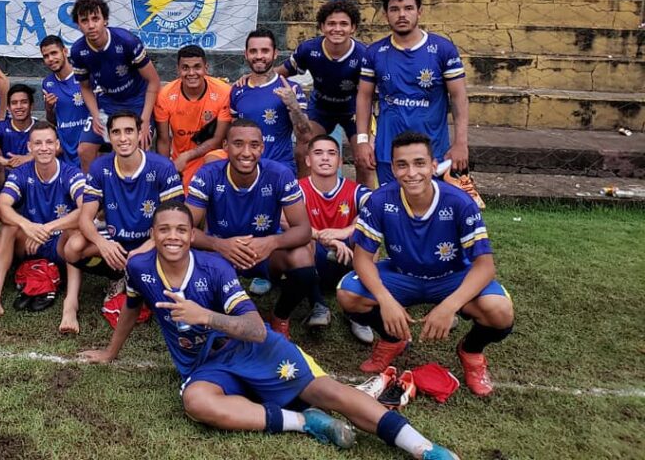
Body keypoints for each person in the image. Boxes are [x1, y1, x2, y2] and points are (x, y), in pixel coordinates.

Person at [79, 202, 460, 460]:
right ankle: (302, 421)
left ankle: (423, 448)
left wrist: (205, 316)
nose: (173, 236)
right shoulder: (140, 267)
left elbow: (255, 330)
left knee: (330, 392)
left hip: (253, 349)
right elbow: (131, 306)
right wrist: (110, 352)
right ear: (153, 233)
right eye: (164, 230)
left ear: (193, 234)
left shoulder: (214, 268)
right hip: (207, 366)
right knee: (197, 404)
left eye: (182, 229)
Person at [337, 132, 514, 396]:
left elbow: (485, 266)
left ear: (433, 166)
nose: (411, 173)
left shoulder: (459, 202)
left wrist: (449, 307)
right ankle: (392, 340)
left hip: (452, 276)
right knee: (348, 295)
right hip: (402, 274)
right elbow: (362, 258)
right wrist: (386, 300)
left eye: (420, 163)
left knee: (500, 312)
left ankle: (471, 352)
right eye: (402, 165)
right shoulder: (379, 200)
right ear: (393, 168)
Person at [355, 0, 483, 206]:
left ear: (419, 12)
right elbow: (364, 97)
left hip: (434, 148)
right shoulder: (374, 52)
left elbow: (459, 97)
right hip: (388, 149)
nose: (402, 14)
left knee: (435, 208)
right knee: (393, 207)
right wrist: (363, 141)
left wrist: (461, 142)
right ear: (386, 15)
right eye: (394, 9)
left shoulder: (443, 50)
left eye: (408, 8)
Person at [185, 119, 316, 338]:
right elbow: (184, 229)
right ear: (225, 147)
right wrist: (220, 244)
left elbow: (303, 230)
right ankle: (218, 315)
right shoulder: (208, 174)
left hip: (263, 251)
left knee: (303, 256)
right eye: (238, 144)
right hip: (221, 251)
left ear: (262, 148)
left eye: (254, 145)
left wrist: (271, 242)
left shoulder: (279, 174)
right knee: (190, 259)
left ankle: (279, 316)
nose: (246, 152)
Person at [0, 121, 85, 333]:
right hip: (30, 244)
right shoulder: (21, 173)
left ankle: (70, 305)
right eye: (38, 143)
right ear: (30, 148)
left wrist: (47, 228)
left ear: (57, 145)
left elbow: (86, 210)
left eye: (49, 142)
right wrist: (28, 226)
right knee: (8, 229)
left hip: (61, 245)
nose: (44, 148)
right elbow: (2, 205)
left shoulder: (71, 173)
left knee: (75, 232)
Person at [63, 111, 183, 277]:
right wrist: (102, 243)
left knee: (168, 248)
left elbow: (176, 220)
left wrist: (149, 244)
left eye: (129, 131)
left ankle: (138, 274)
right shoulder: (99, 167)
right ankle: (119, 275)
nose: (123, 138)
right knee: (72, 248)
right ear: (109, 137)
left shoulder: (163, 167)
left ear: (140, 133)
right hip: (117, 238)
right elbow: (85, 218)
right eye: (116, 132)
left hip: (152, 239)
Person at [279, 0, 374, 187]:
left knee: (365, 159)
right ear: (322, 27)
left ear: (353, 28)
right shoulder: (309, 49)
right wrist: (251, 78)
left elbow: (371, 93)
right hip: (321, 107)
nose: (337, 29)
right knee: (303, 150)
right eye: (331, 23)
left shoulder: (364, 55)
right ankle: (305, 199)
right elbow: (280, 73)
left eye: (343, 24)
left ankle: (364, 205)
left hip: (353, 110)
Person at [68, 0, 161, 171]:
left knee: (139, 146)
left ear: (105, 20)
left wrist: (145, 119)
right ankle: (92, 195)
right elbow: (85, 87)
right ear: (78, 25)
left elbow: (154, 81)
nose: (91, 25)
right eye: (84, 20)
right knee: (84, 150)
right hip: (107, 103)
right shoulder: (78, 51)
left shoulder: (126, 41)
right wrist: (95, 115)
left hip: (137, 101)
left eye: (95, 18)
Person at [299, 135, 373, 341]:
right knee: (300, 239)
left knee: (368, 237)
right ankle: (318, 304)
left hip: (348, 258)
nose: (325, 158)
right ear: (308, 160)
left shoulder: (355, 190)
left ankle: (356, 312)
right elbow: (284, 221)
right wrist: (327, 239)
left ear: (339, 161)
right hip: (314, 260)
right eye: (318, 153)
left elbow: (377, 208)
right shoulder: (298, 189)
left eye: (331, 153)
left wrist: (345, 231)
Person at [229, 28, 311, 175]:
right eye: (253, 51)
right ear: (246, 54)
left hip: (279, 169)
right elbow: (233, 135)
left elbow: (305, 136)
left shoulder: (290, 88)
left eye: (265, 51)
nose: (259, 56)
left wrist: (294, 106)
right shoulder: (237, 89)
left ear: (275, 54)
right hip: (245, 170)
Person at [155, 44, 232, 191]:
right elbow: (163, 140)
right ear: (178, 69)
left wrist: (188, 155)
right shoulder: (165, 96)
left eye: (197, 67)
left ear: (206, 68)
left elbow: (218, 140)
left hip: (212, 156)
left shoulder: (223, 92)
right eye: (185, 68)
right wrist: (166, 170)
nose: (191, 73)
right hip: (181, 161)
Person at [39, 35, 89, 165]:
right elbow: (53, 120)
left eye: (54, 53)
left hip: (89, 148)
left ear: (65, 51)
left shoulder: (85, 75)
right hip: (66, 152)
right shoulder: (48, 84)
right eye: (46, 56)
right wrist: (49, 108)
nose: (50, 59)